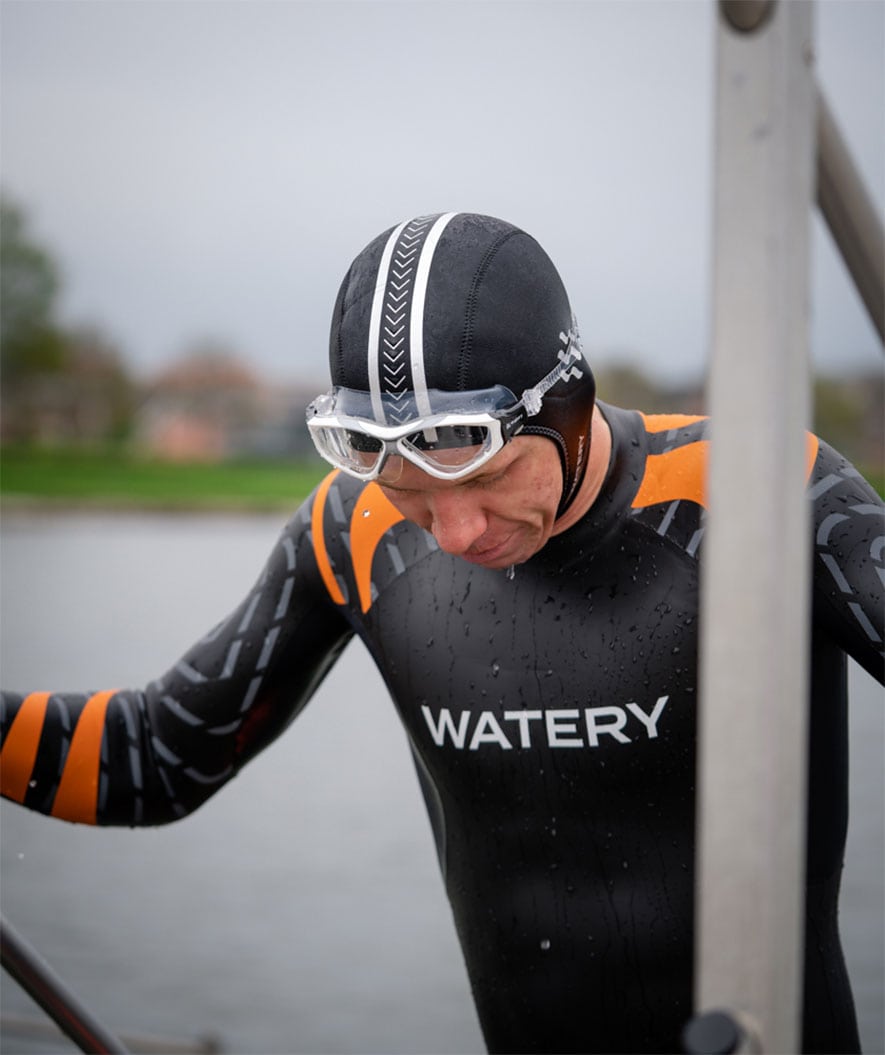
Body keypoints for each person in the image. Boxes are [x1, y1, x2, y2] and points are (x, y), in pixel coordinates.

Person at [1, 211, 882, 1054]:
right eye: (409, 491)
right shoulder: (350, 529)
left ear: (569, 404)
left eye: (488, 477)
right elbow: (153, 759)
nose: (455, 533)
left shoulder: (760, 485)